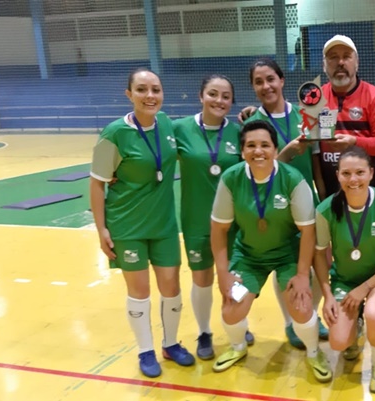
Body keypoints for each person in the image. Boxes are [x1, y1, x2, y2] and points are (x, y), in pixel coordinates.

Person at [89, 68, 195, 378]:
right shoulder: (113, 134)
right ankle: (146, 350)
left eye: (156, 89)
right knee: (140, 292)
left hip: (163, 225)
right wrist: (101, 229)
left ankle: (171, 343)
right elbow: (97, 184)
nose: (150, 96)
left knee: (172, 287)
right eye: (142, 89)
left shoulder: (166, 124)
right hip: (127, 227)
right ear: (129, 94)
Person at [209, 120, 332, 383]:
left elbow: (308, 231)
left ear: (275, 149)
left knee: (300, 305)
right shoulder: (231, 178)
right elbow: (219, 231)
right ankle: (238, 347)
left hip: (288, 252)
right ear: (242, 151)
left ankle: (313, 352)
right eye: (251, 145)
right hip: (249, 256)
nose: (258, 151)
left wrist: (301, 274)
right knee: (232, 307)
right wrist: (223, 275)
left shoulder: (292, 179)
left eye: (265, 144)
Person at [317, 34, 375, 343]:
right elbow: (313, 147)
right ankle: (350, 315)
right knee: (341, 257)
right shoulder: (317, 98)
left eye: (346, 56)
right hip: (335, 189)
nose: (340, 62)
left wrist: (355, 142)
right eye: (334, 57)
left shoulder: (374, 96)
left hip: (369, 187)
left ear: (357, 61)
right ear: (325, 64)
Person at [244, 58, 329, 349]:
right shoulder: (251, 122)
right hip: (272, 207)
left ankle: (310, 314)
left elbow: (316, 160)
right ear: (254, 87)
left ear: (282, 80)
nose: (266, 86)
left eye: (270, 78)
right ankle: (291, 322)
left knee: (319, 264)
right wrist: (286, 153)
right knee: (288, 267)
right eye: (258, 81)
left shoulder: (307, 115)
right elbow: (252, 170)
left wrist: (323, 199)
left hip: (308, 204)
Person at [314, 146, 375, 393]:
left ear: (370, 173)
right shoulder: (326, 209)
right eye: (346, 173)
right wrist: (327, 296)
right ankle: (352, 328)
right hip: (344, 280)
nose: (353, 179)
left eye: (359, 172)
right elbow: (320, 254)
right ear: (338, 176)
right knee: (337, 341)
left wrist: (365, 288)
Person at [174, 74, 256, 360]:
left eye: (225, 96)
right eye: (212, 94)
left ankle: (239, 322)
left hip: (234, 221)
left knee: (235, 276)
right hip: (196, 218)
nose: (218, 100)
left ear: (232, 101)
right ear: (201, 96)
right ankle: (204, 332)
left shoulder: (238, 132)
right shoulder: (180, 129)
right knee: (202, 278)